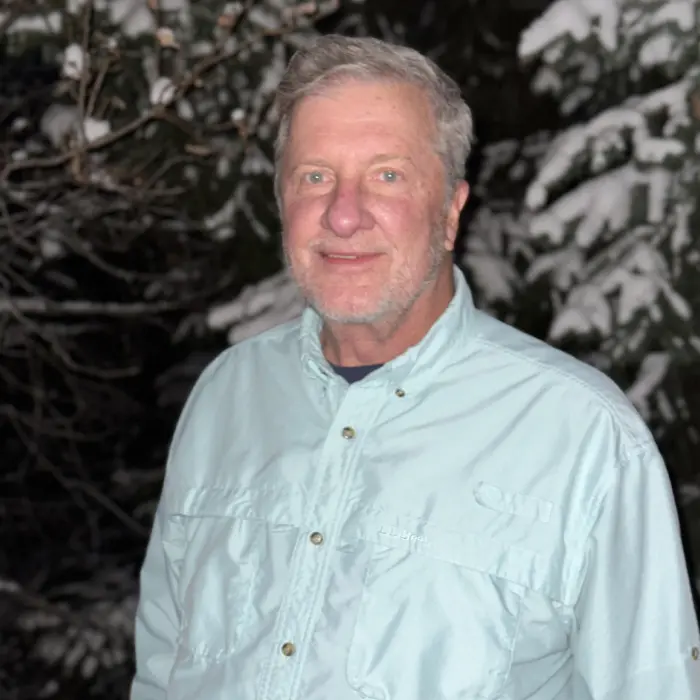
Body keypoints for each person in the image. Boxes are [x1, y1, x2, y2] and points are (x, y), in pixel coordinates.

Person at [130, 34, 700, 700]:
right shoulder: (227, 397)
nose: (343, 215)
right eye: (315, 176)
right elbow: (162, 669)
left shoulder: (585, 439)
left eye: (387, 175)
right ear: (282, 201)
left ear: (451, 211)